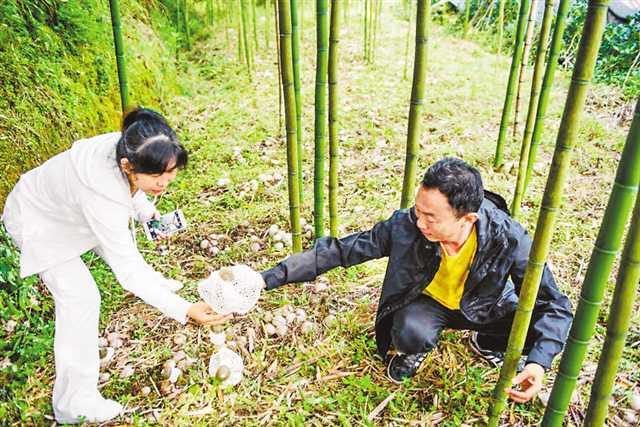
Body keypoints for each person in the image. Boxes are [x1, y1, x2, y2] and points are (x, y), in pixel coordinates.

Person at [260, 157, 573, 403]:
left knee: (533, 326)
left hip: (485, 305)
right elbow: (340, 251)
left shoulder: (509, 239)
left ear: (467, 219)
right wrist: (264, 280)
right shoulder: (406, 225)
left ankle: (488, 342)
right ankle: (416, 347)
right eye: (418, 210)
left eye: (431, 217)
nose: (419, 221)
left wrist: (538, 364)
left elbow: (555, 305)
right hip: (430, 303)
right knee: (410, 331)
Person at [1, 108, 230, 424]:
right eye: (156, 176)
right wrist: (184, 309)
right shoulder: (102, 194)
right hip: (37, 221)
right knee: (81, 297)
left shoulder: (130, 145)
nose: (165, 182)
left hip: (68, 209)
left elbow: (129, 189)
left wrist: (145, 210)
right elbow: (127, 271)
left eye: (171, 171)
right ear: (128, 166)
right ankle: (73, 404)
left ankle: (158, 284)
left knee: (120, 249)